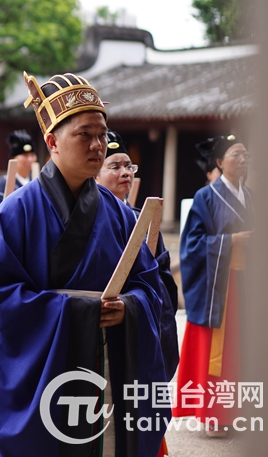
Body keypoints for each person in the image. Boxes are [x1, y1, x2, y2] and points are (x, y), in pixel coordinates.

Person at [0, 72, 170, 457]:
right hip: (48, 372)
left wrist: (129, 308)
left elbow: (151, 286)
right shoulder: (18, 211)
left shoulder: (120, 214)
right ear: (52, 142)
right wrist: (78, 312)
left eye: (102, 134)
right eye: (84, 134)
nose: (98, 145)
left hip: (110, 363)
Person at [173, 135, 252, 434]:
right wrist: (230, 241)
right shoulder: (206, 197)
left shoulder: (252, 196)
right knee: (219, 351)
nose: (244, 159)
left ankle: (241, 410)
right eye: (236, 154)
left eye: (246, 154)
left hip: (248, 282)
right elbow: (191, 245)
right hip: (221, 284)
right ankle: (215, 415)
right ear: (219, 162)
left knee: (244, 346)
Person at [95, 131, 179, 380]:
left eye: (128, 166)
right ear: (95, 174)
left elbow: (162, 271)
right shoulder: (89, 219)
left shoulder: (142, 217)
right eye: (114, 166)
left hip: (140, 318)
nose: (125, 172)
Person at [0, 129, 37, 195]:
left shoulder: (37, 180)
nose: (30, 159)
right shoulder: (2, 184)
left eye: (32, 155)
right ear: (13, 158)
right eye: (25, 155)